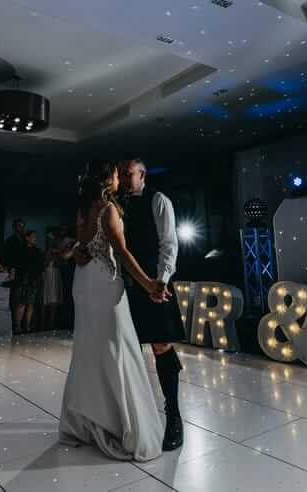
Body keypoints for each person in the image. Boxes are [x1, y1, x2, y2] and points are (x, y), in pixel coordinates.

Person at [59, 161, 166, 462]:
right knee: (118, 349)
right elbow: (122, 252)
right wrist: (148, 283)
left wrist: (77, 253)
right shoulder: (108, 210)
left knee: (89, 349)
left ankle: (88, 421)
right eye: (117, 175)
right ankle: (120, 425)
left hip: (83, 284)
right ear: (108, 180)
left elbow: (80, 249)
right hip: (104, 284)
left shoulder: (82, 210)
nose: (120, 179)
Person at [118, 158, 186, 451]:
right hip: (124, 287)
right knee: (126, 349)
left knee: (161, 346)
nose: (122, 177)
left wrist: (161, 281)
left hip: (153, 284)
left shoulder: (158, 200)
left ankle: (173, 415)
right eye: (120, 173)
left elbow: (168, 243)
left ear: (142, 174)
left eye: (127, 173)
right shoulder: (117, 203)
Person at [13, 230, 44, 333]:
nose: (35, 238)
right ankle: (18, 326)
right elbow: (16, 266)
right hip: (22, 280)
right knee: (21, 304)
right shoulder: (20, 250)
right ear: (27, 238)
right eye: (33, 236)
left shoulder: (37, 251)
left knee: (30, 304)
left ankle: (27, 326)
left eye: (35, 237)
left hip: (33, 280)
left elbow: (40, 267)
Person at [41, 231, 69, 330]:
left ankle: (51, 324)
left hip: (55, 275)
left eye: (53, 240)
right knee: (46, 299)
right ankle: (44, 324)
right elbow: (44, 263)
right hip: (48, 275)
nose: (51, 241)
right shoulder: (46, 251)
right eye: (50, 240)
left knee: (54, 299)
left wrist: (58, 257)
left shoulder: (57, 251)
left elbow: (61, 263)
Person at [3, 218, 27, 318]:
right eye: (19, 226)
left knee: (23, 298)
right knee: (14, 296)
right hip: (14, 271)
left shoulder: (25, 240)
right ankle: (12, 320)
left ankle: (19, 321)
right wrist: (10, 270)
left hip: (24, 272)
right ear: (14, 227)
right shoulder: (10, 240)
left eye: (22, 226)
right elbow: (7, 257)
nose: (21, 228)